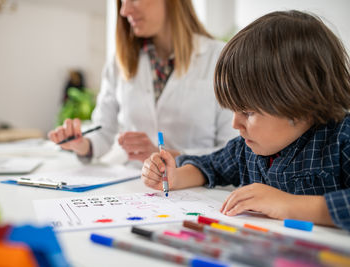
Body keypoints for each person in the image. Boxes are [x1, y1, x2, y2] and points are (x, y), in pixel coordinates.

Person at [141, 10, 350, 230]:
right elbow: (210, 167)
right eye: (233, 110)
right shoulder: (246, 149)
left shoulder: (342, 139)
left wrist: (288, 204)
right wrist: (175, 177)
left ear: (303, 104)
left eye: (248, 113)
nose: (235, 124)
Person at [48, 0, 237, 164]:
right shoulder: (120, 61)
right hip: (132, 185)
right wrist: (82, 144)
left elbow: (233, 151)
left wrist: (168, 156)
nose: (124, 10)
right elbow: (104, 131)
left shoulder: (219, 58)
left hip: (198, 189)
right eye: (122, 1)